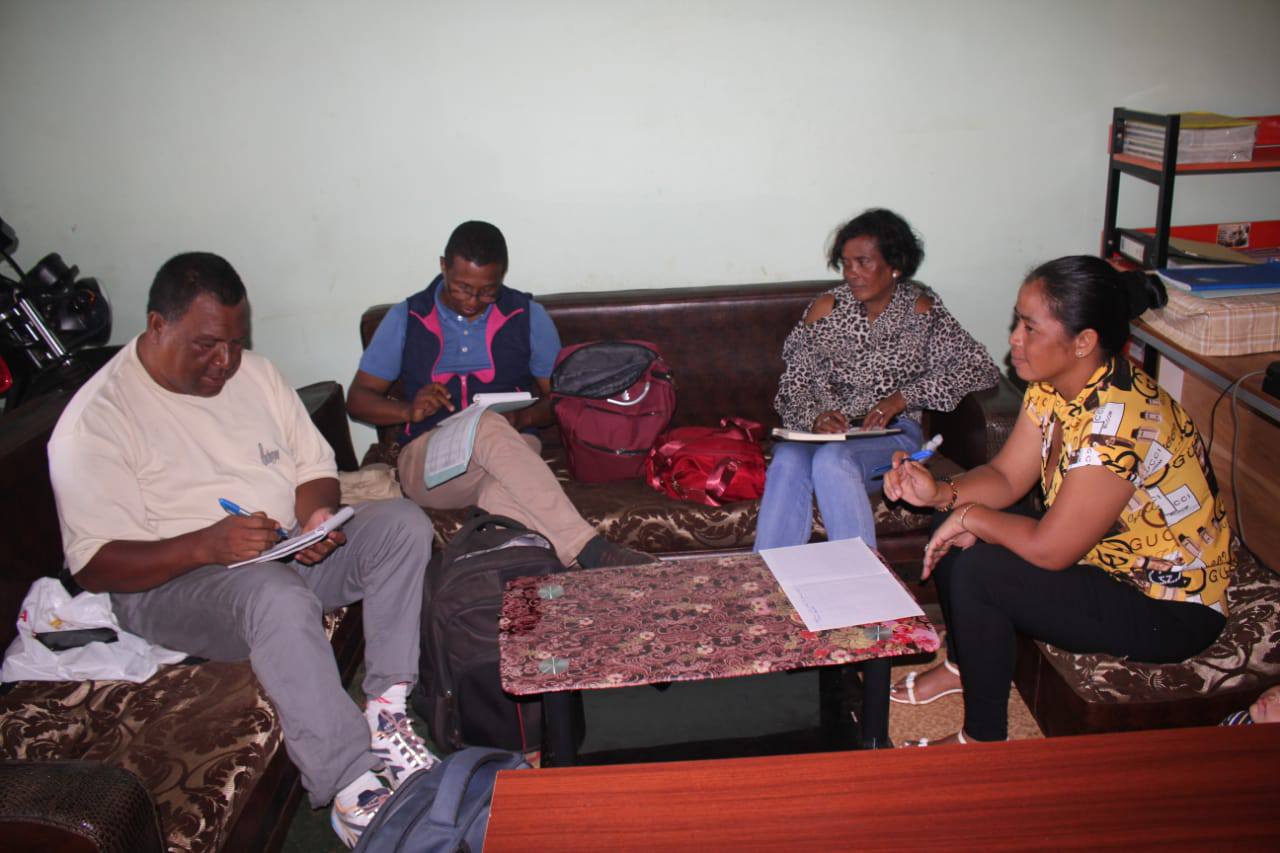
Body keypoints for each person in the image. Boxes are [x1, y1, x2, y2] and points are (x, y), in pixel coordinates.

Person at [47, 252, 436, 848]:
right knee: (275, 596)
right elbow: (97, 565)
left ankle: (386, 710)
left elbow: (314, 466)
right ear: (157, 326)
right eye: (207, 345)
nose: (225, 361)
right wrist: (206, 545)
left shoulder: (255, 374)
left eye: (235, 342)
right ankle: (350, 785)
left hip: (277, 550)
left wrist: (316, 518)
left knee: (402, 524)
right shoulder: (97, 420)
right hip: (170, 584)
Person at [884, 255, 1232, 745]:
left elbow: (1051, 550)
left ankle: (982, 741)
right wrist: (940, 493)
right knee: (957, 528)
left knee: (979, 564)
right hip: (1102, 559)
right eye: (1017, 322)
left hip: (1165, 604)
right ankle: (963, 666)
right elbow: (1007, 476)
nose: (1014, 338)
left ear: (1083, 342)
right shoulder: (1051, 386)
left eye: (1030, 327)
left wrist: (970, 516)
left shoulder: (1120, 424)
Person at [347, 220, 651, 569]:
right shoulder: (408, 317)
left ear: (501, 277)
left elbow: (561, 401)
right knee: (486, 426)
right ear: (443, 266)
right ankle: (591, 548)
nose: (472, 302)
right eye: (462, 288)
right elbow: (357, 400)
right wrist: (408, 411)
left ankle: (568, 579)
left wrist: (524, 417)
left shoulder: (527, 316)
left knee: (498, 489)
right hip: (430, 464)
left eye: (487, 292)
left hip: (510, 450)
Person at [755, 208, 1000, 552]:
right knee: (786, 460)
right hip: (820, 434)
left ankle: (859, 578)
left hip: (892, 434)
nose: (852, 273)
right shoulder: (825, 309)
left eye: (863, 262)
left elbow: (979, 367)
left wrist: (902, 398)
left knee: (833, 460)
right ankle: (770, 575)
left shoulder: (920, 312)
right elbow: (793, 385)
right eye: (846, 264)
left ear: (895, 265)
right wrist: (816, 416)